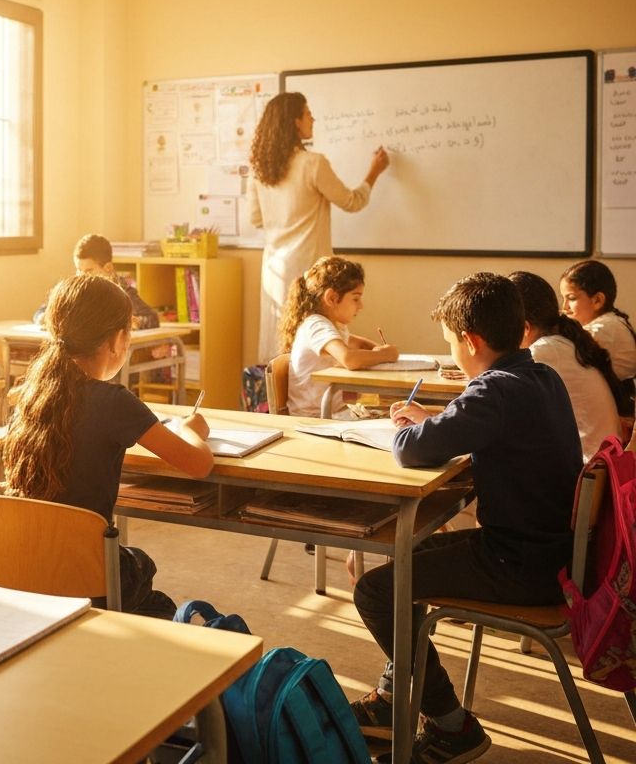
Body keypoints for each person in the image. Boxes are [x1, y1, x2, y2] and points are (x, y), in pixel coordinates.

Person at [349, 273, 582, 763]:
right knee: (401, 558)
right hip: (550, 554)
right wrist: (434, 423)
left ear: (471, 342)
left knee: (376, 590)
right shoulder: (541, 376)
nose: (453, 351)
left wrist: (405, 426)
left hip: (518, 565)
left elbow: (412, 450)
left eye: (452, 343)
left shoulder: (495, 392)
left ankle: (453, 728)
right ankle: (395, 698)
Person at [3, 274, 212, 618]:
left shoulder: (30, 396)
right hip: (86, 575)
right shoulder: (114, 402)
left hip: (26, 567)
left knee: (134, 565)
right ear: (118, 340)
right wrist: (191, 430)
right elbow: (198, 464)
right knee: (148, 582)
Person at [248, 91, 390, 362]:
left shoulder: (259, 170)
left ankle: (276, 404)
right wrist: (375, 171)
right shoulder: (313, 164)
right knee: (316, 343)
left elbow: (256, 219)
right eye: (307, 113)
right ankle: (313, 405)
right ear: (294, 122)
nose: (312, 118)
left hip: (275, 270)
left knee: (281, 349)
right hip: (308, 269)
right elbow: (351, 201)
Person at [510, 271, 624, 459]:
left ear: (524, 327)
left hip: (588, 474)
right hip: (599, 467)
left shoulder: (544, 351)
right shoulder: (561, 342)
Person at [279, 256, 398, 417]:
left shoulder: (333, 326)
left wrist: (379, 350)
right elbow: (348, 358)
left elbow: (358, 344)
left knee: (394, 417)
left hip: (333, 412)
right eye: (356, 298)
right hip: (316, 419)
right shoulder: (316, 325)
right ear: (332, 298)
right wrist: (384, 355)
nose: (361, 306)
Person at [560, 260, 636, 423]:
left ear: (597, 300)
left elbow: (563, 353)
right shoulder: (611, 322)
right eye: (563, 298)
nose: (564, 306)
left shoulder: (605, 328)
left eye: (571, 298)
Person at [33, 234, 159, 330]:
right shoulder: (73, 290)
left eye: (88, 271)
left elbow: (152, 319)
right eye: (78, 270)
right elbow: (39, 313)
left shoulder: (121, 291)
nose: (82, 276)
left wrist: (122, 323)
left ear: (108, 268)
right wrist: (50, 319)